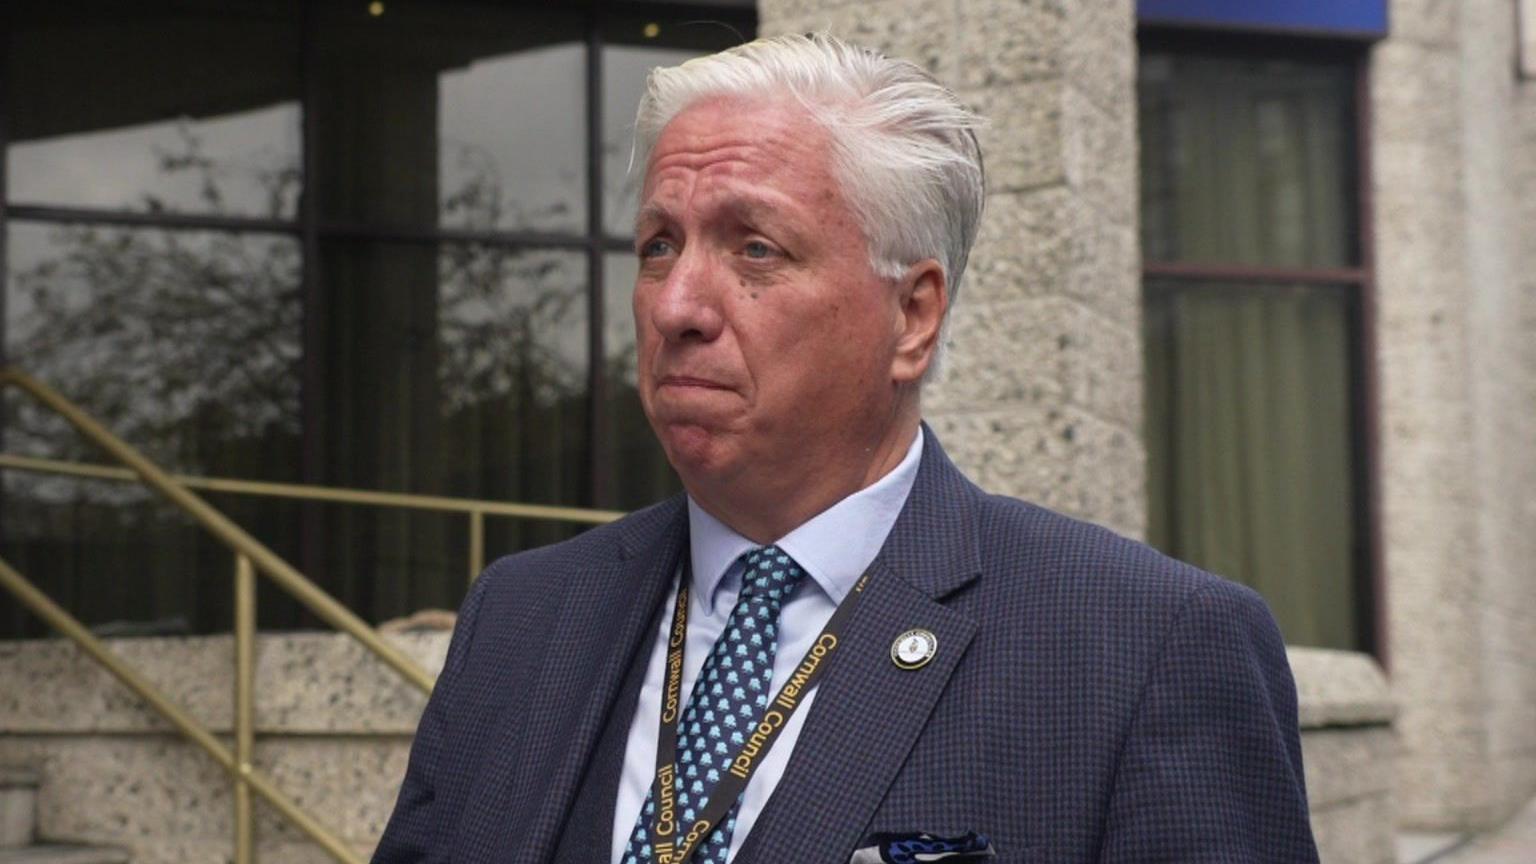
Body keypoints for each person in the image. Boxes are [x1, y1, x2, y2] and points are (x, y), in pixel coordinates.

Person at [373, 33, 1319, 864]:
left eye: (754, 250)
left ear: (913, 316)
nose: (674, 307)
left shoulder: (1142, 647)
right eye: (660, 245)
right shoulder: (522, 617)